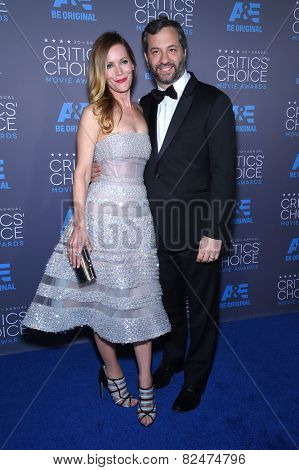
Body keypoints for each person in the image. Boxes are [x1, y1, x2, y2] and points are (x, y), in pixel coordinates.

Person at [22, 31, 171, 427]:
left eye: (124, 62)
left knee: (142, 303)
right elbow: (82, 172)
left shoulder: (143, 111)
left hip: (137, 219)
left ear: (135, 66)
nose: (119, 71)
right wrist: (80, 226)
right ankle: (114, 374)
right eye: (110, 65)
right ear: (100, 72)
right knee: (97, 304)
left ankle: (145, 383)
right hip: (102, 217)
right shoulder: (94, 113)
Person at [91, 18, 236, 413]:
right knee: (166, 306)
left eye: (171, 49)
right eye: (155, 51)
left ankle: (196, 380)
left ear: (184, 51)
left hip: (197, 229)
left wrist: (215, 230)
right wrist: (101, 168)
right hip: (149, 231)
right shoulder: (143, 106)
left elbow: (225, 172)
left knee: (202, 312)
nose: (164, 58)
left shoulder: (214, 101)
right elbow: (130, 157)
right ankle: (171, 361)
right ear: (147, 59)